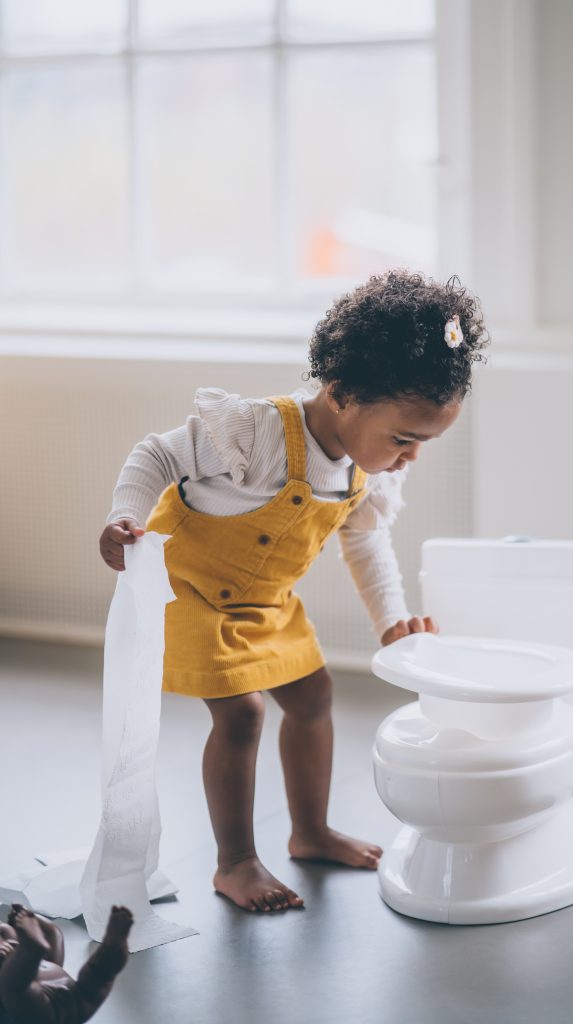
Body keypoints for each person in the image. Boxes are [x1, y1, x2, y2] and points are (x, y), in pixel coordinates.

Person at [98, 269, 488, 914]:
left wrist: (391, 620)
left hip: (266, 602)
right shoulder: (257, 433)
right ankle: (236, 862)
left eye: (423, 443)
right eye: (403, 438)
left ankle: (309, 832)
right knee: (243, 713)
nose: (409, 456)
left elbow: (364, 543)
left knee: (314, 695)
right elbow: (155, 456)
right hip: (189, 591)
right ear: (340, 393)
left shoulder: (368, 472)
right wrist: (123, 516)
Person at [0, 904, 133, 1024]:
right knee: (12, 986)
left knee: (99, 972)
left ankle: (112, 948)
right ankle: (114, 948)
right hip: (36, 1008)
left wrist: (32, 916)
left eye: (2, 932)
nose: (4, 941)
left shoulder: (44, 959)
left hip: (78, 995)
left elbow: (54, 934)